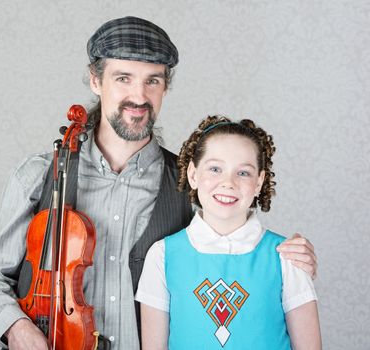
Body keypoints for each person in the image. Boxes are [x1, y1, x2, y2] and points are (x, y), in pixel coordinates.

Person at [0, 16, 318, 350]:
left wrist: (288, 260)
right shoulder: (41, 175)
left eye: (152, 80)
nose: (139, 96)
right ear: (95, 80)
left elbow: (232, 247)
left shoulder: (189, 182)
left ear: (165, 86)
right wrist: (16, 327)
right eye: (123, 78)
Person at [136, 115, 322, 350]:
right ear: (193, 175)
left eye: (243, 173)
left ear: (259, 182)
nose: (228, 183)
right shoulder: (162, 256)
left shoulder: (287, 257)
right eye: (215, 169)